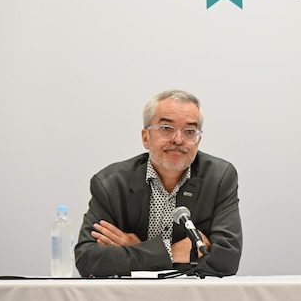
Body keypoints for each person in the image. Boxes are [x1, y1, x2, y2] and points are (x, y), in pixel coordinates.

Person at [75, 90, 242, 277]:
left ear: (198, 140)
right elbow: (87, 260)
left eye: (189, 131)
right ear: (146, 137)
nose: (178, 140)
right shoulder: (111, 184)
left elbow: (227, 260)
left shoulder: (219, 178)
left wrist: (135, 249)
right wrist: (170, 252)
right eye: (166, 128)